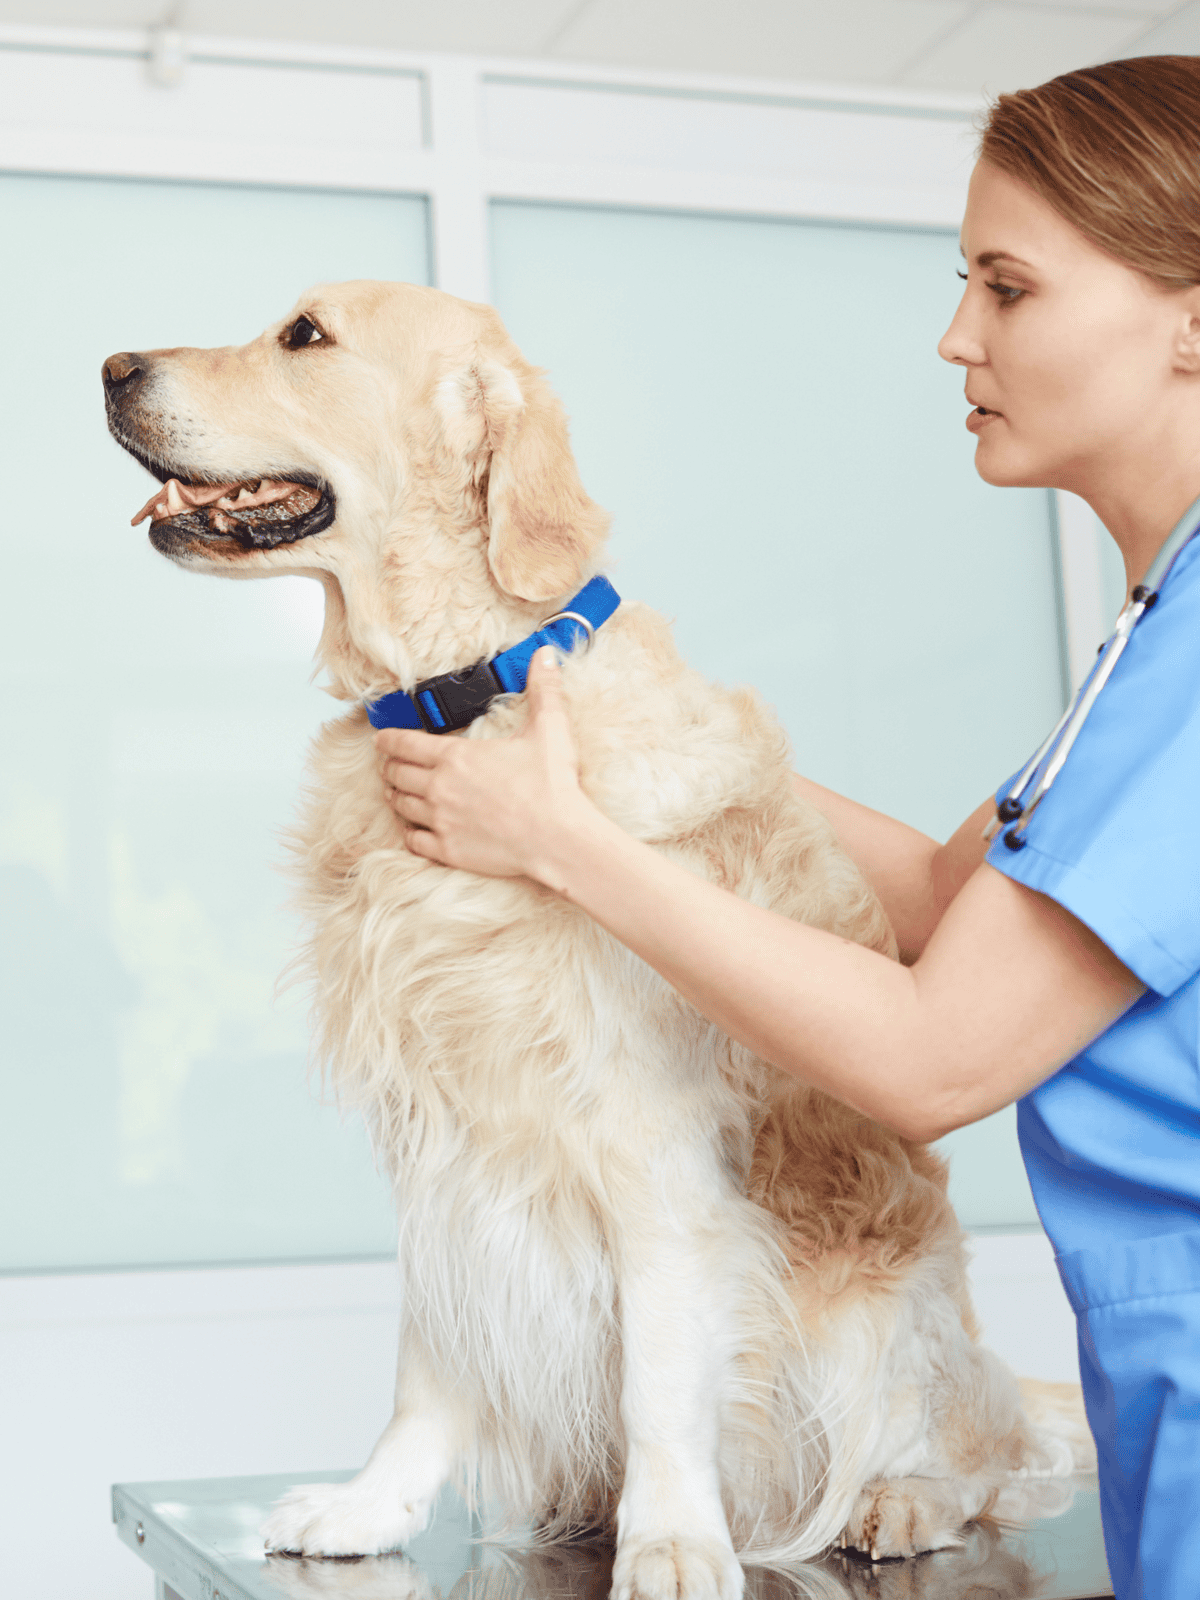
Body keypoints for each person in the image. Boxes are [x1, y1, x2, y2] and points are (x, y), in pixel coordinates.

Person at [374, 56, 1200, 1600]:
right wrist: (621, 703)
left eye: (1009, 288)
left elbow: (933, 1052)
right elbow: (954, 900)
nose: (958, 335)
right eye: (964, 282)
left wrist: (568, 842)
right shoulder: (1155, 646)